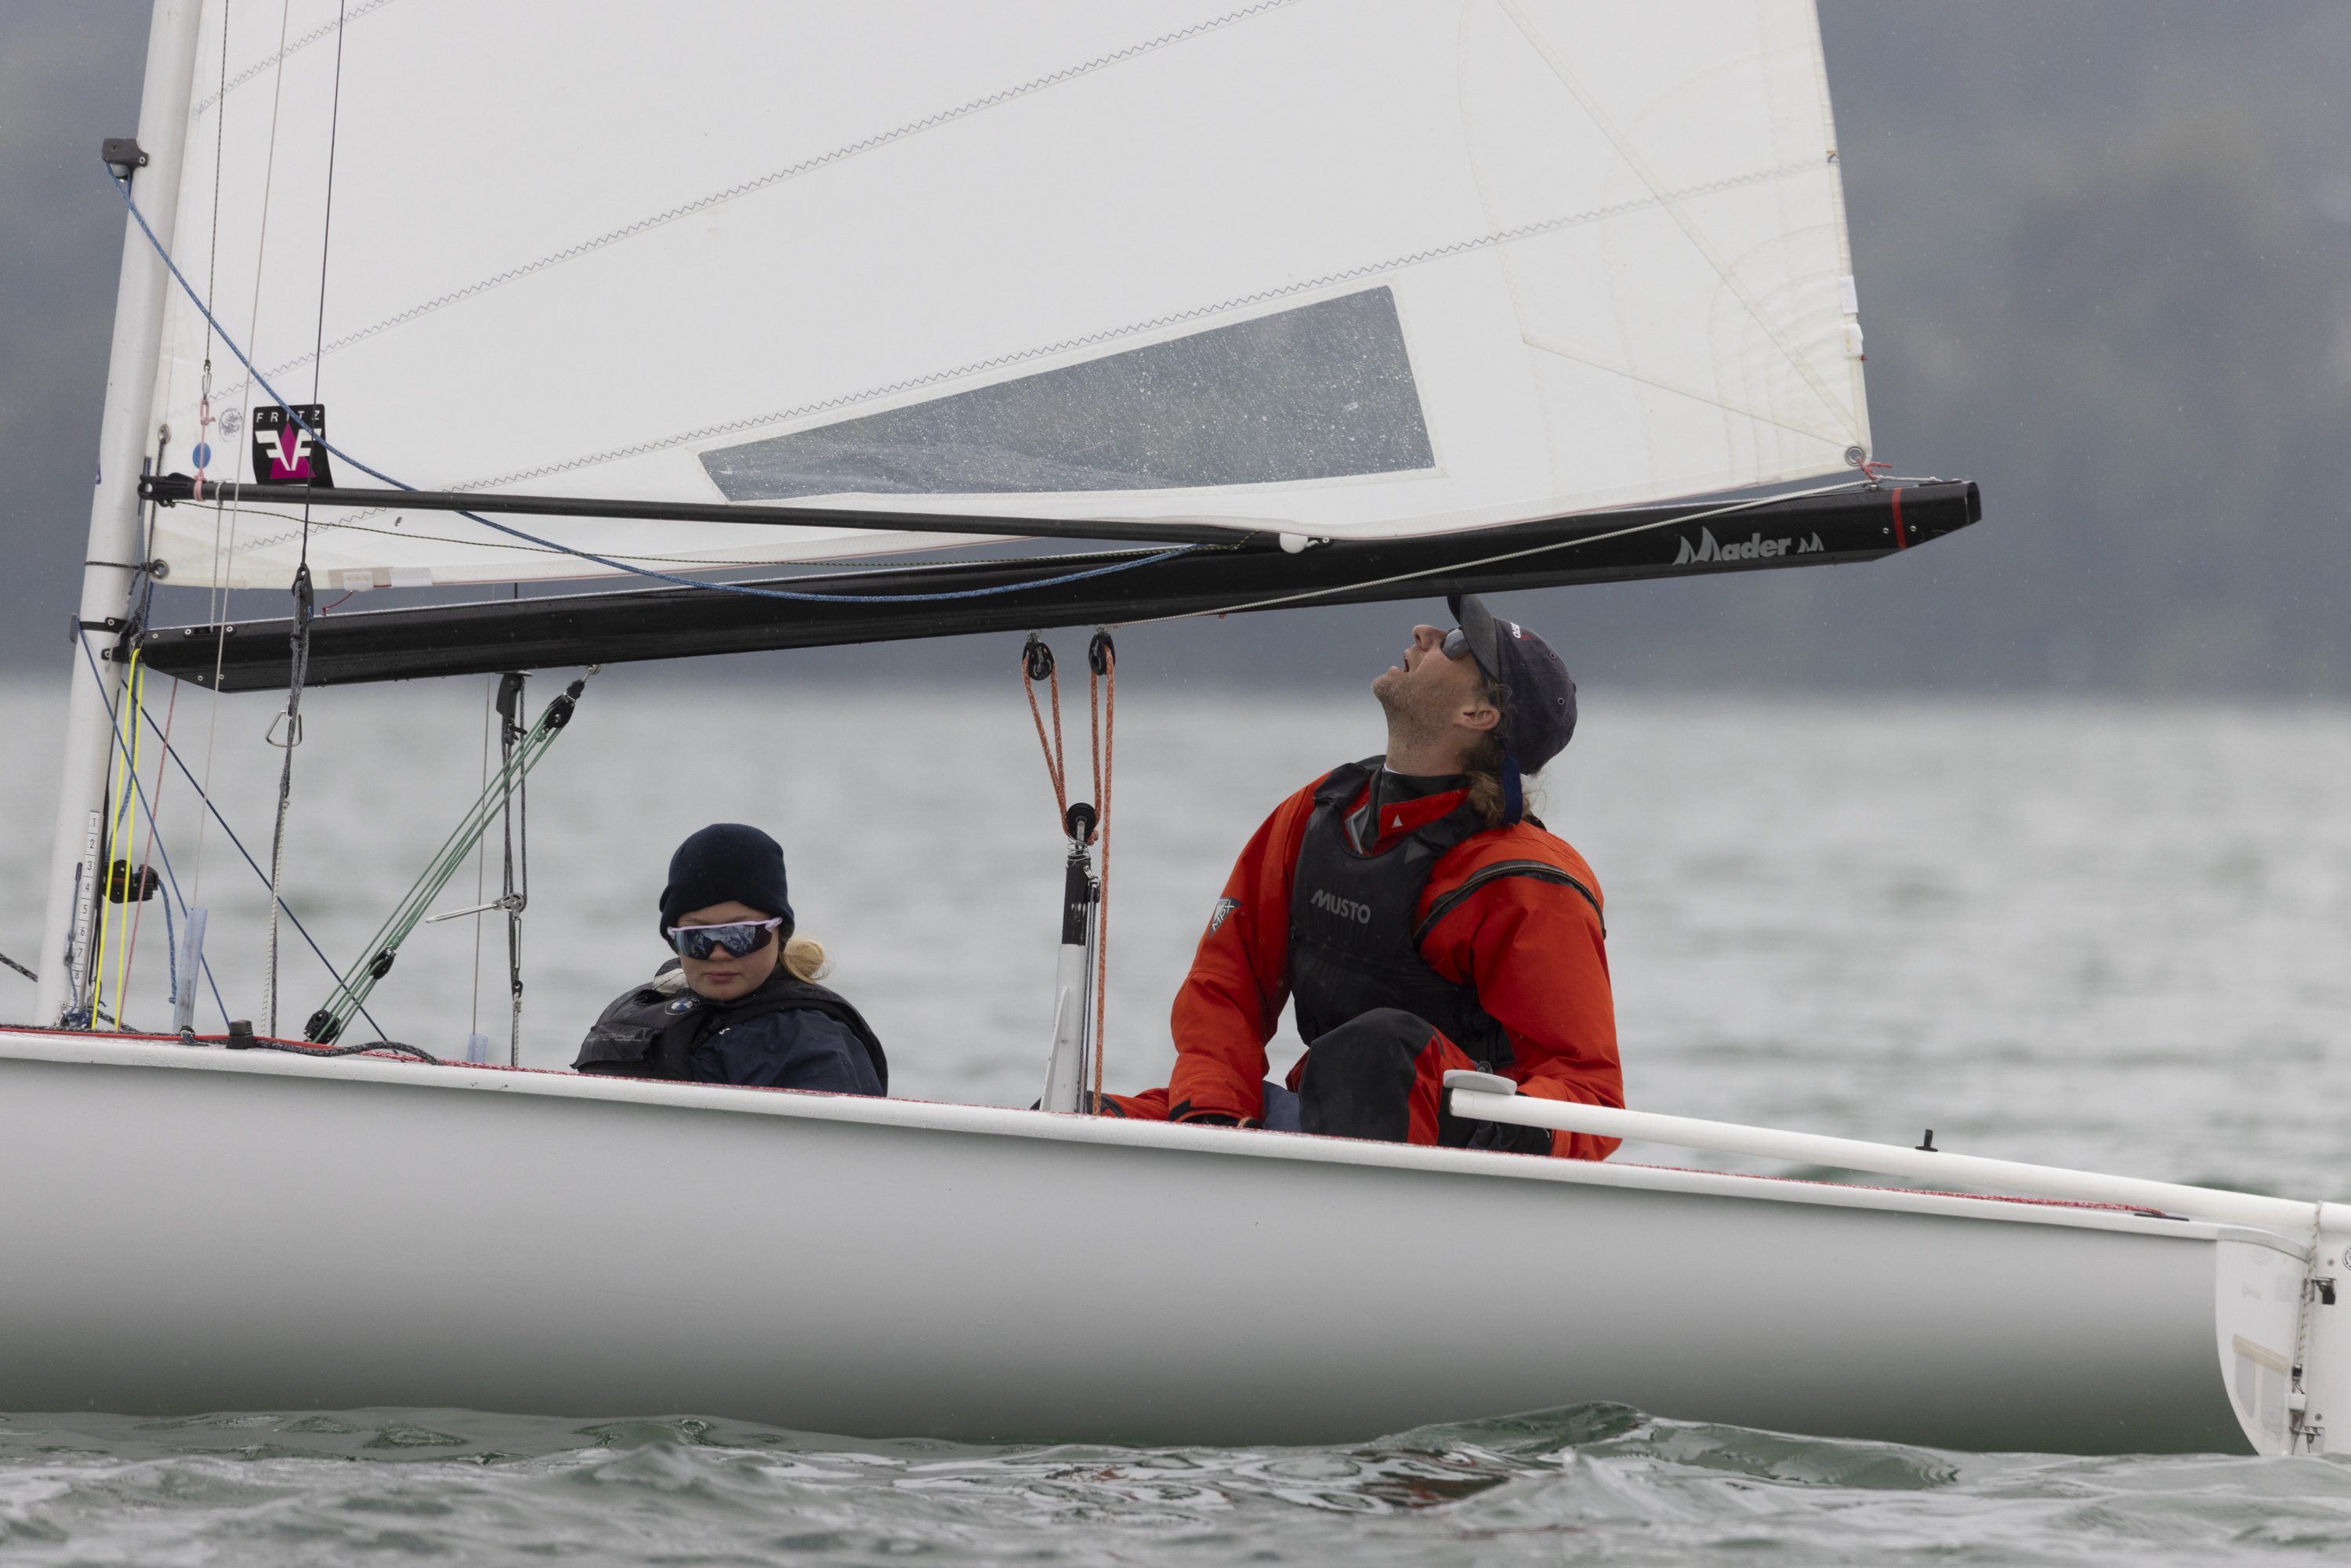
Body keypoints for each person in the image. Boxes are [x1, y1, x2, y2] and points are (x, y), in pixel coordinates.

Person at [1107, 595, 1621, 1158]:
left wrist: (1491, 1157)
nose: (1424, 631)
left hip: (1448, 1167)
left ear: (1478, 714)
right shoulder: (1319, 812)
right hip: (1319, 1126)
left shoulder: (1528, 884)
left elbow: (1589, 1093)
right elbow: (1227, 985)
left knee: (1381, 1048)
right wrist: (1213, 1118)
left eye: (1456, 643)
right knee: (1078, 1116)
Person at [574, 823, 886, 1095]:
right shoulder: (634, 1012)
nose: (719, 954)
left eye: (741, 935)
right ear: (673, 940)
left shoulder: (813, 1042)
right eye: (696, 937)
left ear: (779, 933)